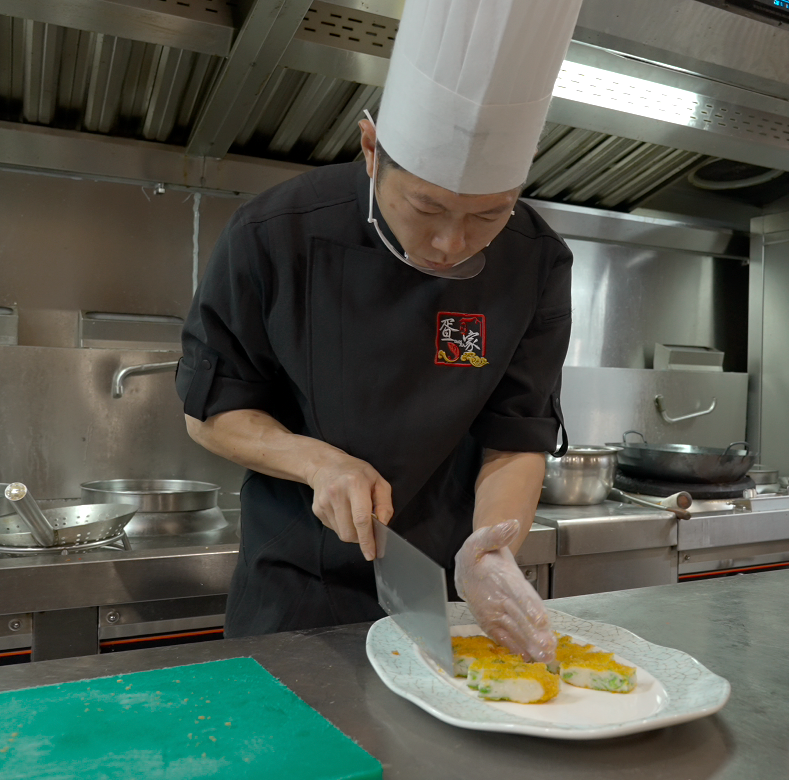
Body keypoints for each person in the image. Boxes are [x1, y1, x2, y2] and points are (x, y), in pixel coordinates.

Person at [175, 0, 583, 664]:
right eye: (426, 206)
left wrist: (491, 551)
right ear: (371, 150)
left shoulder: (537, 261)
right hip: (293, 598)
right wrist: (319, 463)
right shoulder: (275, 234)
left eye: (489, 216)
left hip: (443, 596)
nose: (451, 243)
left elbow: (516, 437)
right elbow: (212, 412)